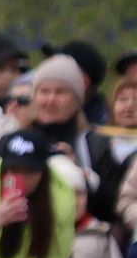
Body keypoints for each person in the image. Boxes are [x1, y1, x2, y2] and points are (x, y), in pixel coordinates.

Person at [24, 55, 121, 222]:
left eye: (60, 92)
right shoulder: (18, 140)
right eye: (44, 91)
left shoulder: (96, 145)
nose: (50, 100)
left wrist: (83, 176)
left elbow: (114, 209)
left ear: (78, 99)